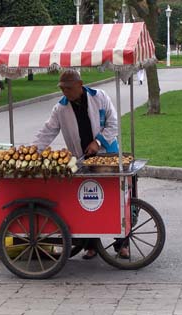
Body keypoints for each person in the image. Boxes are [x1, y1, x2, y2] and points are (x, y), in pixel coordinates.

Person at [32, 69, 129, 259]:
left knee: (113, 200)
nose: (65, 92)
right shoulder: (60, 108)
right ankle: (90, 245)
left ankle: (122, 244)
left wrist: (98, 141)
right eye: (62, 88)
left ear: (80, 84)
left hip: (106, 155)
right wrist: (33, 150)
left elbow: (113, 123)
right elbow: (47, 131)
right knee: (87, 200)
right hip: (82, 158)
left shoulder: (99, 97)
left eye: (69, 88)